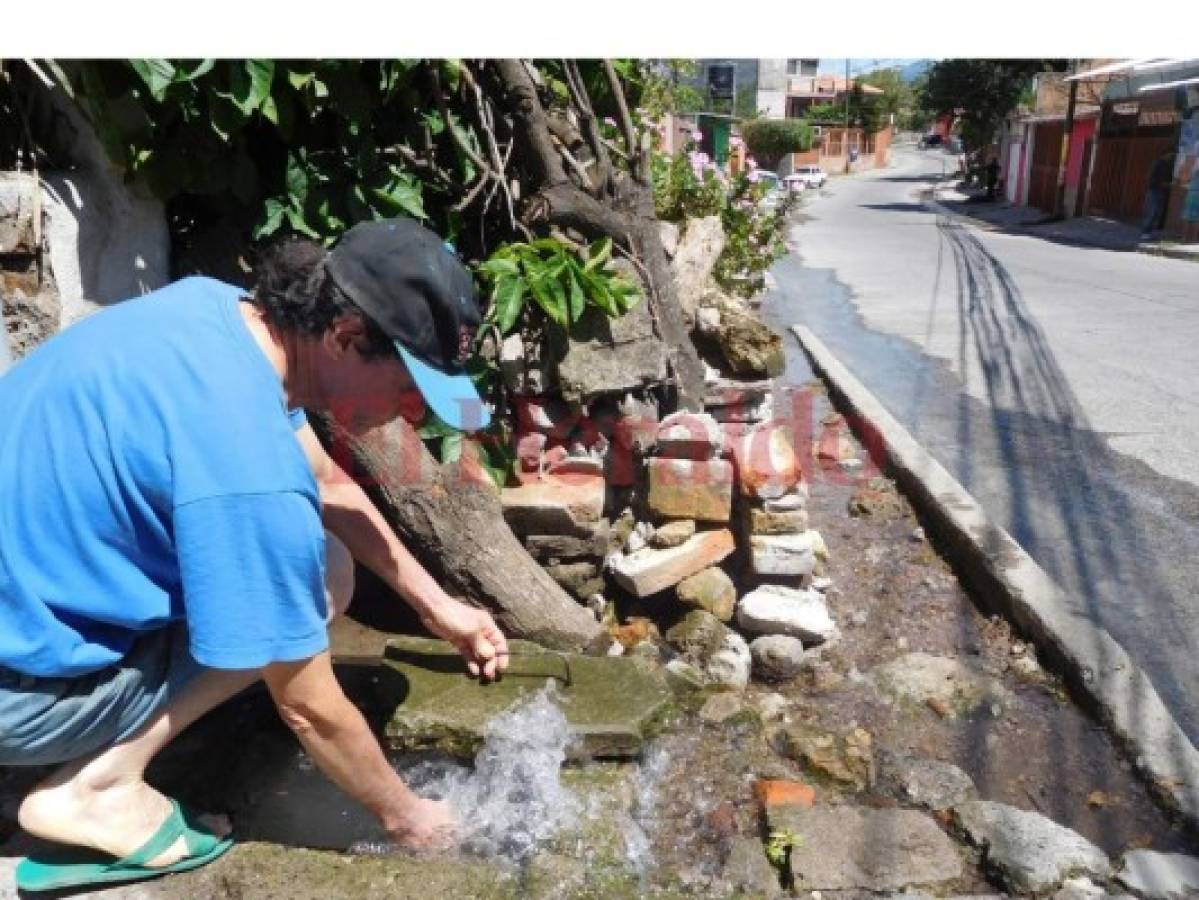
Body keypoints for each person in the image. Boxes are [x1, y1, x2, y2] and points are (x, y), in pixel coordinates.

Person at [0, 218, 510, 892]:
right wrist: (411, 818)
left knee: (322, 566)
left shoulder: (216, 313)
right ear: (348, 337)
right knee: (305, 587)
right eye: (408, 387)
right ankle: (98, 788)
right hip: (19, 701)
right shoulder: (247, 464)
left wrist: (441, 607)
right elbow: (309, 706)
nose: (412, 414)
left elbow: (327, 482)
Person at [1141, 152, 1176, 240]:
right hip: (1154, 190)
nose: (1172, 157)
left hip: (1161, 191)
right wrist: (1167, 184)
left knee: (1157, 213)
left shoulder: (1168, 165)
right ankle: (1145, 232)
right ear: (1165, 154)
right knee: (1152, 212)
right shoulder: (1159, 164)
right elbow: (1154, 178)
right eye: (1171, 155)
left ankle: (1150, 232)